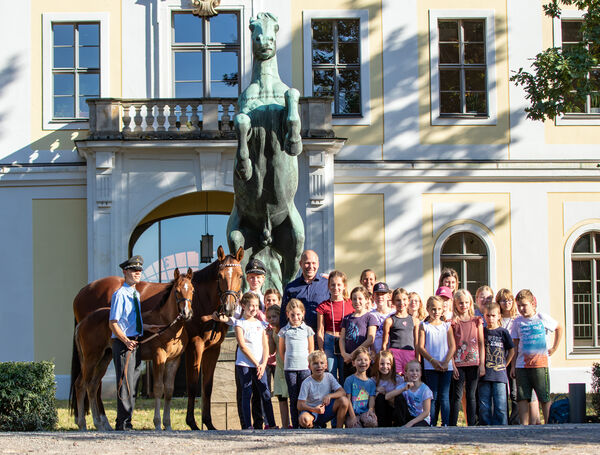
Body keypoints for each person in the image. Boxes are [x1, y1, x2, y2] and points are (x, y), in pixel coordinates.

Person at [510, 289, 563, 425]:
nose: (521, 309)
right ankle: (524, 424)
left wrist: (554, 348)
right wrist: (514, 366)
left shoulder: (541, 318)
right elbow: (515, 345)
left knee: (544, 396)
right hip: (522, 365)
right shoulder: (517, 322)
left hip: (540, 364)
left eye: (524, 305)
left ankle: (548, 423)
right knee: (522, 396)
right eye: (519, 306)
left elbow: (559, 327)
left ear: (533, 304)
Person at [109, 255, 146, 431]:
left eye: (139, 270)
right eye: (133, 270)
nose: (137, 273)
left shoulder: (135, 294)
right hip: (124, 344)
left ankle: (128, 422)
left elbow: (134, 321)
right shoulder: (120, 294)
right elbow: (113, 323)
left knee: (133, 385)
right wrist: (126, 340)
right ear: (125, 272)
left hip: (135, 343)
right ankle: (122, 424)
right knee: (125, 384)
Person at [234, 292, 277, 429]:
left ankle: (271, 423)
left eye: (256, 306)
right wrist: (256, 363)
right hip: (245, 364)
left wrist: (263, 364)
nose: (253, 308)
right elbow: (243, 346)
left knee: (265, 393)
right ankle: (247, 425)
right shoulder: (239, 323)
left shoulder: (262, 324)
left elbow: (265, 346)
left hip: (260, 365)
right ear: (243, 306)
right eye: (250, 305)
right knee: (247, 392)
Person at [418, 295, 455, 427]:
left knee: (444, 396)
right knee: (433, 396)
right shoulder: (424, 326)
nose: (436, 312)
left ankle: (446, 423)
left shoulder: (447, 326)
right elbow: (420, 347)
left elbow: (452, 346)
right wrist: (433, 361)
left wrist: (445, 362)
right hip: (430, 366)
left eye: (439, 309)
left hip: (446, 367)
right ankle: (432, 423)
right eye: (433, 309)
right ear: (428, 309)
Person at [449, 289, 485, 426]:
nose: (463, 305)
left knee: (471, 395)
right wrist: (452, 364)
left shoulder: (477, 321)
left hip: (474, 362)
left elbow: (481, 342)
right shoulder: (453, 322)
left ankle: (472, 423)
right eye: (460, 303)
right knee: (457, 396)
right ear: (456, 304)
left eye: (466, 302)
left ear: (470, 303)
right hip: (458, 364)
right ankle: (452, 424)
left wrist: (481, 364)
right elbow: (450, 344)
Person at [279, 299, 315, 428]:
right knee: (293, 397)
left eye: (298, 314)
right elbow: (281, 350)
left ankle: (306, 422)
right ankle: (295, 424)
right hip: (290, 369)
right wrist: (288, 362)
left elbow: (311, 350)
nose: (295, 317)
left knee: (304, 397)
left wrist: (309, 364)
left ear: (303, 314)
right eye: (292, 314)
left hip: (304, 368)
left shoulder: (308, 330)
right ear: (288, 314)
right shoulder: (284, 331)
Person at [479, 301, 514, 425]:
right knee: (484, 405)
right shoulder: (482, 331)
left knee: (500, 405)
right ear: (484, 316)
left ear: (499, 316)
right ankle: (485, 426)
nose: (490, 318)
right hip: (485, 374)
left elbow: (511, 350)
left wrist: (506, 364)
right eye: (488, 315)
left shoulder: (503, 332)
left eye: (493, 315)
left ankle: (502, 427)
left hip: (499, 374)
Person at [316, 270, 353, 383]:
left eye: (339, 285)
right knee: (330, 374)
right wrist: (321, 350)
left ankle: (344, 400)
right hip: (329, 341)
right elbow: (320, 330)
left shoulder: (351, 304)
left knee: (344, 375)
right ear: (328, 286)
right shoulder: (323, 306)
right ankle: (331, 400)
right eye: (332, 284)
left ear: (344, 286)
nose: (335, 288)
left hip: (345, 342)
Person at [297, 350, 350, 428]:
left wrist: (330, 396)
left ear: (326, 365)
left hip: (325, 410)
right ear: (309, 366)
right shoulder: (306, 382)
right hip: (311, 411)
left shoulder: (329, 377)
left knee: (344, 400)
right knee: (304, 419)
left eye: (321, 363)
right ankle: (313, 426)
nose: (319, 366)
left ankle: (339, 429)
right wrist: (314, 409)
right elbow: (300, 405)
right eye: (315, 363)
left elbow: (342, 392)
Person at [281, 250, 330, 333]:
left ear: (318, 264)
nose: (311, 266)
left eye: (314, 263)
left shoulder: (327, 285)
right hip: (297, 337)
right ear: (300, 264)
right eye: (307, 263)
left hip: (321, 337)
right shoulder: (291, 287)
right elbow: (283, 315)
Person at [340, 286, 378, 379]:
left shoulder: (370, 317)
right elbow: (342, 338)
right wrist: (344, 354)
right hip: (348, 360)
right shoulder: (347, 318)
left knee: (363, 388)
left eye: (360, 298)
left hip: (362, 360)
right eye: (354, 299)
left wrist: (353, 354)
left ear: (366, 300)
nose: (357, 301)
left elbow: (370, 339)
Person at [385, 360, 433, 427]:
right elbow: (387, 397)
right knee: (398, 396)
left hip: (421, 419)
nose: (414, 373)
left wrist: (411, 423)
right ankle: (400, 424)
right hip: (407, 417)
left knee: (415, 428)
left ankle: (406, 426)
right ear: (406, 373)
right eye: (411, 371)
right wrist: (403, 389)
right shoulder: (404, 386)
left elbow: (426, 412)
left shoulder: (425, 389)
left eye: (417, 370)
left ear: (421, 373)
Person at [382, 288, 419, 375]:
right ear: (393, 302)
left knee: (410, 378)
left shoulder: (415, 321)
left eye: (404, 299)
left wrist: (418, 359)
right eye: (398, 300)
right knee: (397, 378)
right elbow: (385, 343)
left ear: (408, 300)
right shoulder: (389, 320)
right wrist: (384, 359)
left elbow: (417, 343)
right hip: (394, 354)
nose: (401, 303)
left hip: (410, 353)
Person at [265, 304, 290, 429]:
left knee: (293, 396)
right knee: (281, 397)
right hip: (279, 368)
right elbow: (271, 351)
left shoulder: (286, 329)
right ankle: (286, 425)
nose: (271, 319)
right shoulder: (274, 331)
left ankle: (296, 423)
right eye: (269, 317)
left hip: (290, 366)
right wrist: (269, 337)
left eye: (274, 316)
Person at [343, 347, 378, 428]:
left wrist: (371, 410)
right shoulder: (349, 380)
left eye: (366, 360)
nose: (363, 362)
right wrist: (352, 417)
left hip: (365, 413)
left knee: (372, 422)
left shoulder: (371, 382)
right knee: (356, 427)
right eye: (359, 360)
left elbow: (372, 398)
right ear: (353, 363)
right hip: (352, 413)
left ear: (369, 362)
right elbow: (348, 399)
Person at [372, 350, 401, 427]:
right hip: (382, 412)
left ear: (392, 365)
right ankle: (382, 426)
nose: (385, 367)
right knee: (379, 397)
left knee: (399, 397)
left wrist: (387, 395)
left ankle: (399, 425)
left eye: (388, 364)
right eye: (382, 364)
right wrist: (377, 390)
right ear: (377, 365)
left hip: (395, 409)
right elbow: (370, 398)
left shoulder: (398, 379)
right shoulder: (373, 381)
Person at [371, 282, 395, 354]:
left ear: (388, 296)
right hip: (373, 354)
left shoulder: (394, 314)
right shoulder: (369, 314)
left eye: (383, 294)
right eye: (377, 294)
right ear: (373, 296)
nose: (380, 297)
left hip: (390, 355)